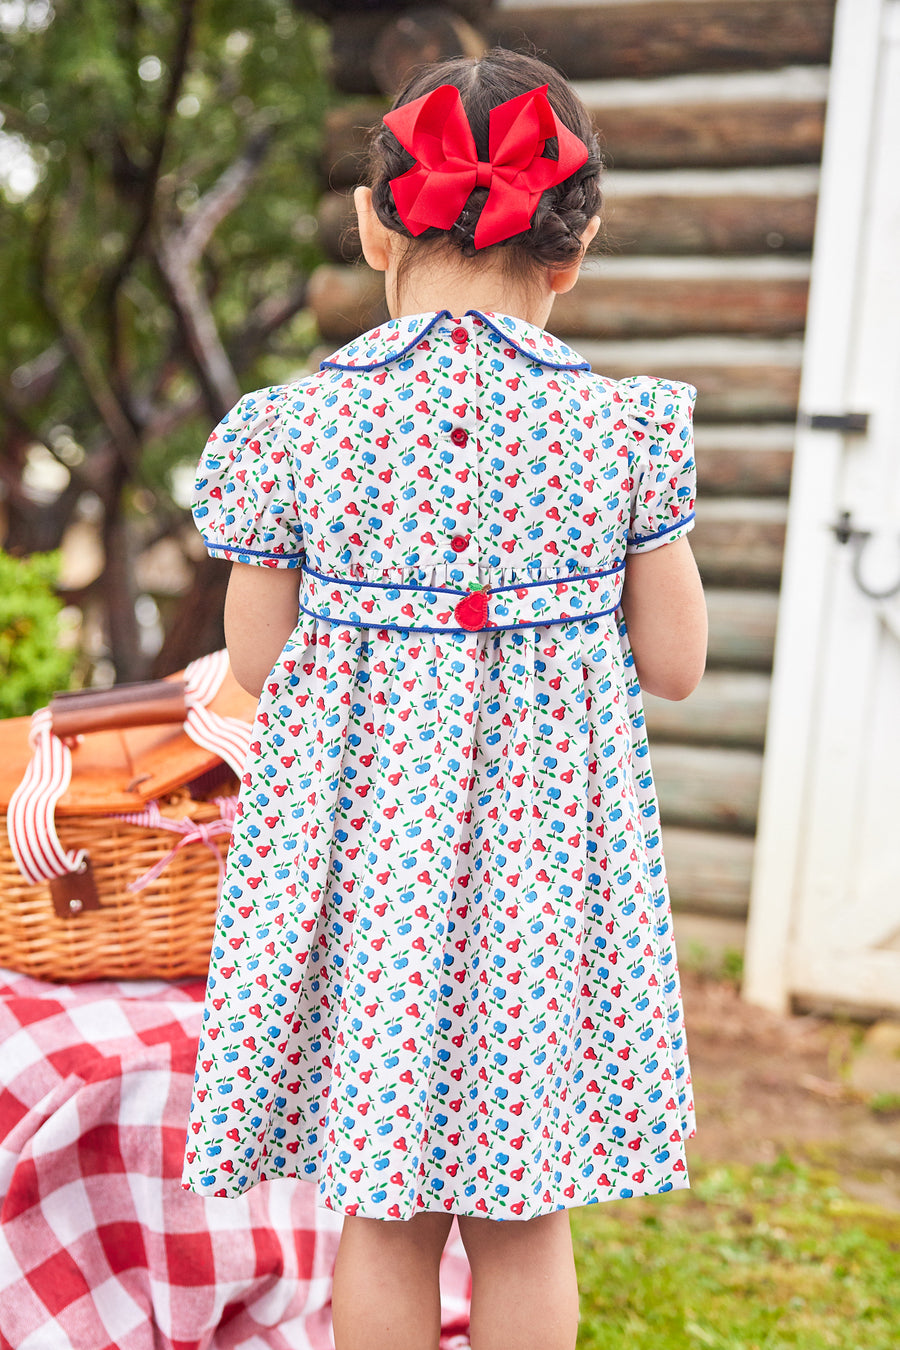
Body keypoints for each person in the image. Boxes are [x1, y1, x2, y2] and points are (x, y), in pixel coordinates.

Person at [183, 48, 707, 1350]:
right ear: (571, 254)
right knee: (525, 1211)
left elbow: (255, 658)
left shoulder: (295, 427)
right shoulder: (622, 427)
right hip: (542, 882)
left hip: (370, 874)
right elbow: (678, 660)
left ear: (374, 225)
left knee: (387, 1206)